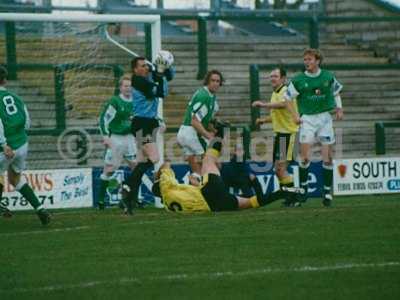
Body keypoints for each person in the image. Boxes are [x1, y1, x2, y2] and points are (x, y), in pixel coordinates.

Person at [152, 121, 303, 213]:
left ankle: (283, 192)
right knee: (208, 160)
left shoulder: (167, 206)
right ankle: (221, 132)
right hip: (210, 190)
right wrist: (158, 175)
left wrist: (196, 183)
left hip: (214, 206)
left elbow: (190, 198)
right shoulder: (166, 185)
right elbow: (166, 164)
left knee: (251, 203)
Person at [284, 48, 344, 206]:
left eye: (310, 59)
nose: (307, 62)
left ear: (317, 61)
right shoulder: (298, 80)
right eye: (305, 60)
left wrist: (339, 108)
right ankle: (303, 190)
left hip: (325, 118)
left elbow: (336, 92)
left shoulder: (328, 76)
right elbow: (287, 99)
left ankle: (327, 192)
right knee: (304, 157)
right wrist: (295, 116)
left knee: (328, 157)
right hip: (308, 120)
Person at [122, 56, 174, 214]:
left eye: (146, 65)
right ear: (135, 69)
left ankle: (129, 202)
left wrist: (165, 67)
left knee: (141, 162)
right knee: (154, 158)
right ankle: (127, 185)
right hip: (142, 123)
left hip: (149, 123)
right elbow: (159, 93)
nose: (146, 68)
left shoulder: (148, 77)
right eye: (142, 66)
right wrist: (159, 73)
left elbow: (168, 79)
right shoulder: (138, 81)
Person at [0, 66, 50, 224]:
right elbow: (27, 122)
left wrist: (3, 144)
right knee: (15, 179)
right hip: (22, 144)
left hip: (6, 146)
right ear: (5, 80)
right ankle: (40, 208)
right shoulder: (17, 98)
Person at [252, 67, 299, 206]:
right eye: (271, 76)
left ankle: (293, 198)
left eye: (275, 76)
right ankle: (290, 196)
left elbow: (284, 105)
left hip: (289, 134)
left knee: (280, 169)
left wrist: (263, 104)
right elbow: (277, 115)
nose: (272, 78)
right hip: (280, 135)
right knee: (278, 170)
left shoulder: (286, 91)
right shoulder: (275, 93)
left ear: (283, 79)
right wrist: (264, 120)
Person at [97, 75, 137, 210]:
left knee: (136, 168)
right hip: (116, 138)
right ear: (120, 88)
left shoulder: (136, 101)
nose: (128, 88)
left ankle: (133, 199)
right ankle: (101, 201)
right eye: (125, 86)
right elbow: (103, 119)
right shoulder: (115, 101)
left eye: (130, 86)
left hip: (130, 138)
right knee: (109, 170)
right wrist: (105, 137)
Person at [177, 70, 223, 182]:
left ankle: (191, 193)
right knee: (214, 165)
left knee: (198, 171)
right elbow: (195, 121)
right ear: (207, 81)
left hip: (186, 133)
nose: (215, 83)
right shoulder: (205, 96)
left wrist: (212, 128)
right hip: (191, 134)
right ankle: (212, 193)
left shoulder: (209, 95)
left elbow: (203, 120)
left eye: (218, 81)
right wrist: (209, 136)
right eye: (213, 80)